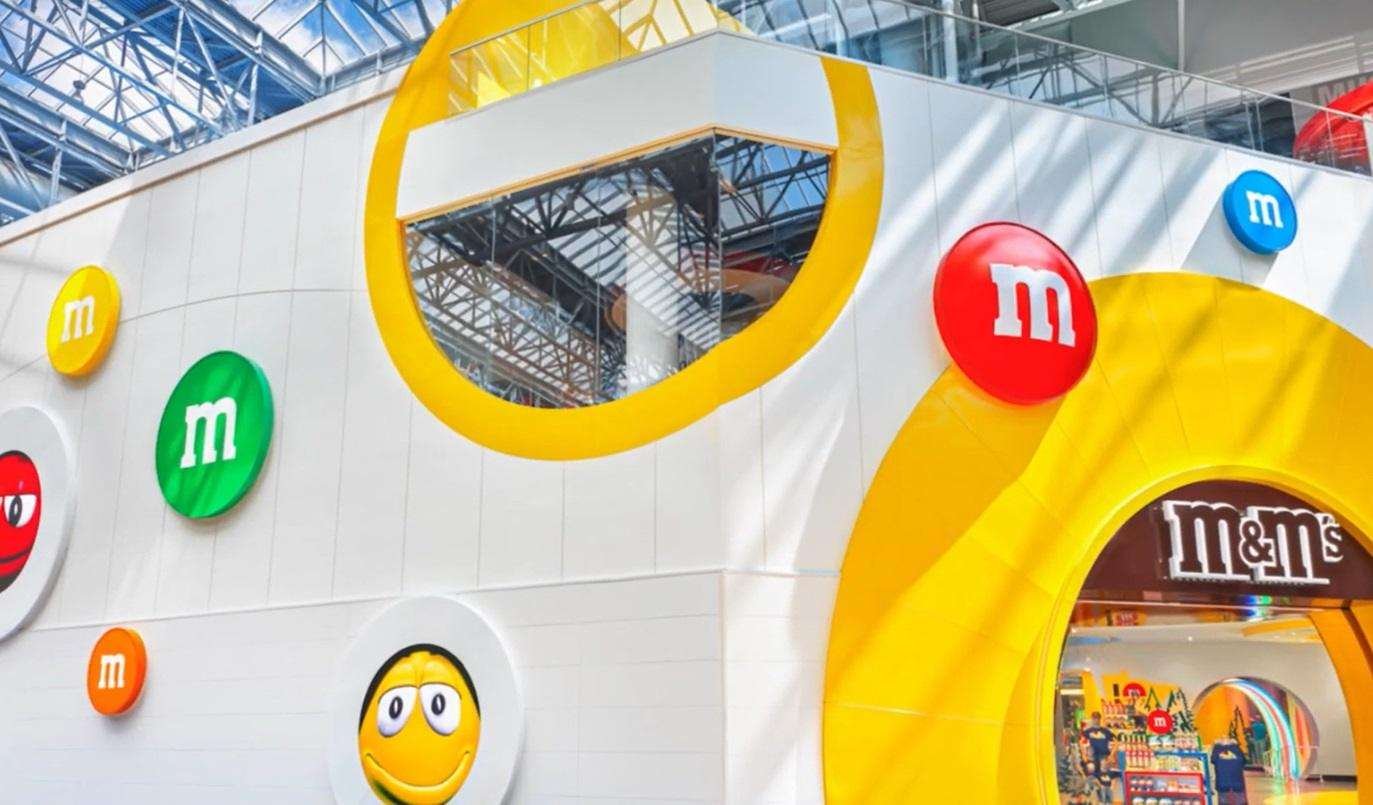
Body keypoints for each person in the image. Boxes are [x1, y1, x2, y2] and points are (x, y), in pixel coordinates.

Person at [1211, 737, 1249, 804]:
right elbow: (1244, 761)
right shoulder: (1236, 749)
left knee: (1223, 800)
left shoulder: (1217, 750)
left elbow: (1213, 760)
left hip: (1222, 781)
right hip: (1237, 781)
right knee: (1240, 800)